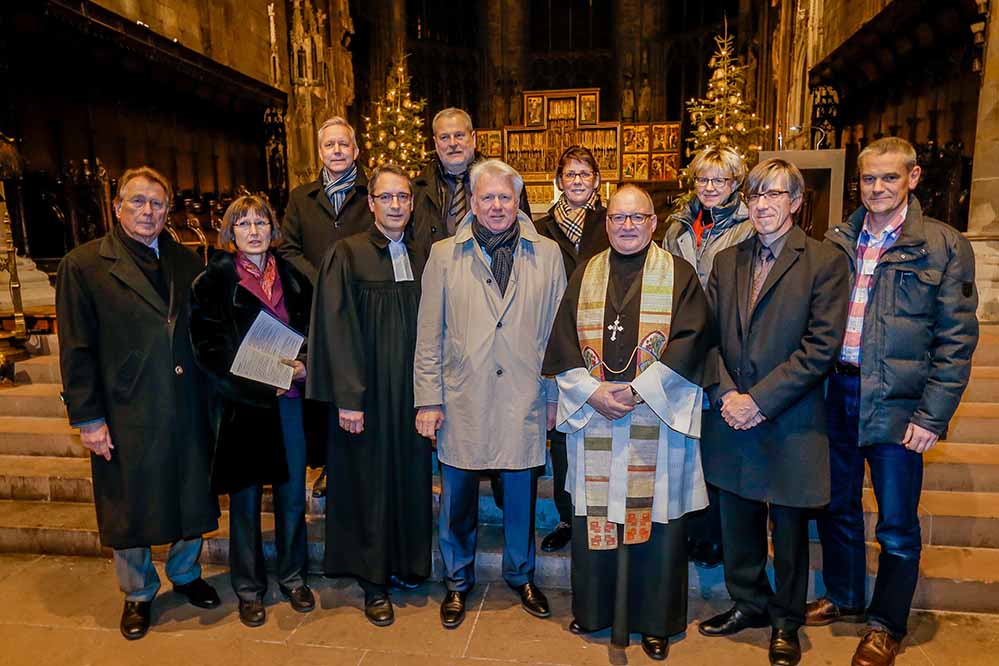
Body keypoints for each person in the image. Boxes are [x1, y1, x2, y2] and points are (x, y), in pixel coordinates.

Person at [809, 137, 979, 666]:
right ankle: (844, 595)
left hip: (898, 400)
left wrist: (932, 415)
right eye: (868, 179)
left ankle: (886, 623)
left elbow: (956, 340)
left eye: (888, 177)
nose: (877, 188)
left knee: (896, 523)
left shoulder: (943, 245)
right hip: (836, 390)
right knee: (836, 506)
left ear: (913, 177)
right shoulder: (838, 239)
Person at [542, 184, 712, 661]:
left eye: (637, 217)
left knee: (655, 520)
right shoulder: (585, 274)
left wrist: (639, 391)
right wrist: (593, 393)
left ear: (653, 223)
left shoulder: (679, 275)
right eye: (618, 218)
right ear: (607, 222)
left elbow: (691, 340)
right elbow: (562, 344)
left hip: (655, 420)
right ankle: (595, 611)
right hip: (595, 415)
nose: (627, 226)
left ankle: (655, 622)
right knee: (596, 515)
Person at [56, 166, 221, 640]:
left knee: (190, 491)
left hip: (185, 400)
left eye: (156, 203)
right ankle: (138, 591)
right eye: (137, 202)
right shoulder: (84, 265)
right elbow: (77, 348)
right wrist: (88, 417)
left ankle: (187, 574)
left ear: (168, 210)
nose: (147, 211)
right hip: (127, 406)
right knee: (129, 500)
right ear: (117, 206)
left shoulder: (188, 262)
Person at [699, 159, 850, 666]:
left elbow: (820, 347)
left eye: (774, 195)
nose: (761, 205)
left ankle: (786, 619)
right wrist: (725, 396)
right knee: (737, 525)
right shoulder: (727, 261)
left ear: (796, 201)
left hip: (789, 420)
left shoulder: (824, 262)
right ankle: (749, 603)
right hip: (732, 415)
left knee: (788, 534)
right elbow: (708, 339)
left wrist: (759, 401)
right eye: (755, 195)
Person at [413, 159, 566, 630]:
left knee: (519, 496)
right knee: (457, 498)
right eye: (487, 197)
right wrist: (427, 399)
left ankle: (521, 575)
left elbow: (559, 338)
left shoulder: (548, 254)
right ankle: (457, 581)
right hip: (462, 397)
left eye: (505, 197)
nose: (496, 205)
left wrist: (555, 398)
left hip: (524, 395)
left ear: (518, 201)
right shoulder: (444, 255)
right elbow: (428, 335)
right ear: (472, 203)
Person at [308, 165, 432, 627]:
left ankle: (405, 564)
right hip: (365, 396)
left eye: (403, 197)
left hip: (411, 395)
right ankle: (372, 580)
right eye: (387, 197)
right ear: (373, 204)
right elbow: (336, 330)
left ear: (411, 204)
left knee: (408, 478)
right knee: (369, 484)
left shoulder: (423, 256)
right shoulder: (348, 253)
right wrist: (349, 398)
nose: (397, 204)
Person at [189, 195, 314, 628]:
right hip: (244, 408)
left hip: (290, 406)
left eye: (261, 222)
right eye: (243, 224)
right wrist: (260, 381)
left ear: (272, 228)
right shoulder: (212, 281)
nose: (254, 231)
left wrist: (304, 366)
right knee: (245, 503)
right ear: (231, 233)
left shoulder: (296, 276)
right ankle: (249, 588)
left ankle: (294, 576)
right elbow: (209, 350)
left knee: (292, 498)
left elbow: (317, 331)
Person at [663, 145, 754, 568]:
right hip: (681, 343)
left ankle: (716, 537)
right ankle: (689, 531)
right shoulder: (677, 225)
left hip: (723, 344)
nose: (710, 188)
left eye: (720, 180)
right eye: (703, 180)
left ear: (735, 184)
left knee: (716, 446)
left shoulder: (747, 226)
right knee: (683, 443)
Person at [277, 116, 373, 498]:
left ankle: (362, 462)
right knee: (323, 388)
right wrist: (321, 279)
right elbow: (287, 247)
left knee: (360, 381)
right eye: (329, 145)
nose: (336, 151)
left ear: (356, 150)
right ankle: (329, 466)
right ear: (320, 151)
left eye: (343, 145)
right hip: (315, 306)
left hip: (362, 303)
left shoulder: (372, 193)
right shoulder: (302, 197)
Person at [534, 145, 611, 553]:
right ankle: (567, 517)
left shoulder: (610, 222)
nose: (578, 180)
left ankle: (600, 510)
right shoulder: (540, 227)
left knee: (600, 426)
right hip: (557, 337)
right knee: (563, 432)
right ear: (558, 181)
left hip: (603, 336)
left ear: (596, 180)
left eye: (585, 173)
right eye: (570, 174)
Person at [412, 107, 531, 249]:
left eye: (459, 135)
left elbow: (526, 235)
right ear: (436, 143)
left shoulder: (506, 182)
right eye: (444, 137)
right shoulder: (418, 189)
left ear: (473, 138)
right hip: (436, 268)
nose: (452, 143)